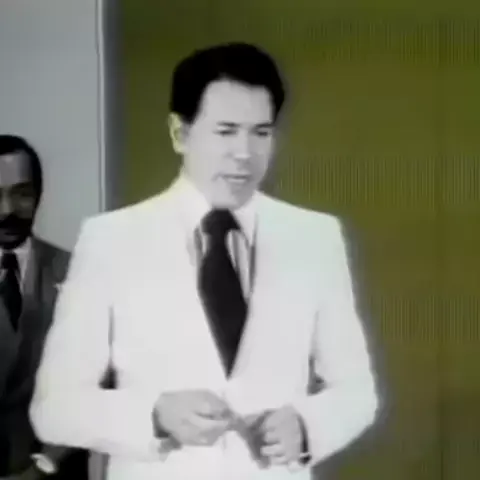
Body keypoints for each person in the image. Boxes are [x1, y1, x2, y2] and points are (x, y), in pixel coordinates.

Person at [30, 42, 379, 480]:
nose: (245, 153)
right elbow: (54, 408)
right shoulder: (111, 240)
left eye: (261, 132)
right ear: (180, 133)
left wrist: (307, 427)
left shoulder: (314, 238)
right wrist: (154, 415)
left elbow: (357, 391)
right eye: (226, 131)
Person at [0, 135, 89, 479]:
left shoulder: (78, 272)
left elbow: (97, 383)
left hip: (56, 471)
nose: (7, 210)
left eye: (21, 193)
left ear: (38, 195)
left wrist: (45, 465)